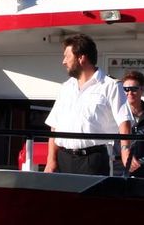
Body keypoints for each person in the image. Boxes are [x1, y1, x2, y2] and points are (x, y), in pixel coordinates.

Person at [45, 33, 131, 176]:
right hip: (63, 159)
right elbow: (54, 126)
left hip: (94, 160)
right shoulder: (66, 88)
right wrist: (51, 160)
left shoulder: (110, 86)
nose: (64, 61)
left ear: (81, 58)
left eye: (67, 56)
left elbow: (124, 122)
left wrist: (125, 153)